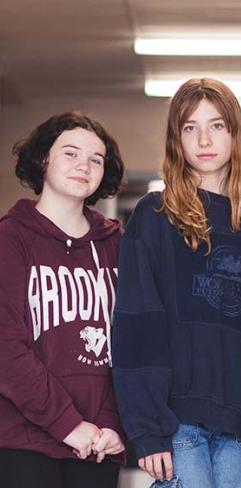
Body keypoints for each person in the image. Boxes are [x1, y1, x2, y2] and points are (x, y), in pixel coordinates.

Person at [112, 77, 241, 488]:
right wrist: (147, 429)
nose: (204, 138)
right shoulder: (155, 216)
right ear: (176, 139)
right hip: (176, 422)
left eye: (217, 125)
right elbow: (136, 326)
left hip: (240, 426)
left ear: (236, 134)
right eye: (190, 127)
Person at [0, 112, 126, 488]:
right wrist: (67, 424)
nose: (83, 166)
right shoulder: (9, 240)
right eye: (70, 154)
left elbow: (132, 343)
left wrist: (112, 423)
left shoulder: (119, 247)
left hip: (99, 444)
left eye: (96, 159)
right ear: (43, 160)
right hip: (23, 444)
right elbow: (6, 348)